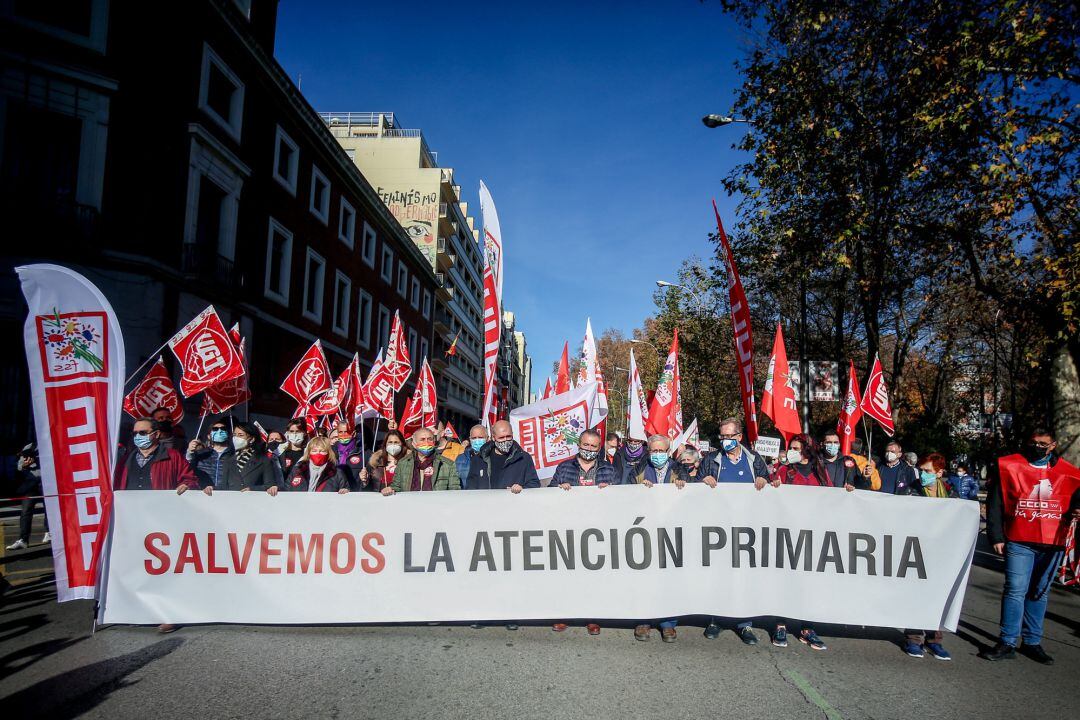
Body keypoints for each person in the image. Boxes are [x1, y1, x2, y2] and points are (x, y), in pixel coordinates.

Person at [981, 428, 1080, 665]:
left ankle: (1032, 641)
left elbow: (1075, 502)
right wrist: (996, 536)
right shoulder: (1008, 467)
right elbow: (995, 503)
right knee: (1015, 589)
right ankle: (1007, 641)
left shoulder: (1069, 473)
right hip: (1019, 540)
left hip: (1053, 542)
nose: (1037, 447)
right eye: (1033, 442)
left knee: (1039, 591)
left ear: (1053, 445)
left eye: (1042, 443)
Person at [113, 417, 197, 633]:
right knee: (136, 568)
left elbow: (190, 479)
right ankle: (139, 610)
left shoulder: (172, 456)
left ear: (156, 434)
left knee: (164, 569)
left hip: (162, 521)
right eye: (135, 433)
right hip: (133, 521)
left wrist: (185, 485)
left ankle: (168, 613)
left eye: (143, 432)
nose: (138, 437)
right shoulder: (127, 458)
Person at [697, 418, 776, 644]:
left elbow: (770, 485)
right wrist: (704, 479)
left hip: (747, 528)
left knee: (744, 576)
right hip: (718, 528)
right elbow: (696, 485)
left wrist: (765, 480)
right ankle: (716, 620)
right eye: (722, 437)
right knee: (718, 575)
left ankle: (745, 624)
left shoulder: (754, 459)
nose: (725, 441)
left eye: (729, 437)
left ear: (739, 437)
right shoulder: (712, 459)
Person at [550, 428, 618, 635]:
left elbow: (621, 499)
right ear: (579, 445)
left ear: (599, 448)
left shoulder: (608, 469)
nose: (589, 449)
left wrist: (610, 492)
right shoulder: (563, 467)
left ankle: (592, 617)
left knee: (594, 575)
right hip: (569, 528)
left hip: (596, 529)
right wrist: (558, 489)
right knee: (568, 573)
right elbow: (549, 495)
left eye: (593, 446)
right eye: (586, 445)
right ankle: (565, 615)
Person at [772, 434, 831, 650]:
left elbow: (831, 499)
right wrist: (774, 486)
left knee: (809, 583)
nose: (792, 451)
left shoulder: (820, 472)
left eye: (796, 448)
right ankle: (781, 625)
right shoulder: (784, 471)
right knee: (785, 581)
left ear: (807, 450)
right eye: (791, 447)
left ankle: (808, 628)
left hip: (813, 535)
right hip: (787, 535)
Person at [632, 434, 690, 643]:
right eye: (653, 451)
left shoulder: (680, 469)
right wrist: (638, 491)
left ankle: (668, 623)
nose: (657, 455)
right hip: (645, 530)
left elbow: (693, 497)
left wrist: (684, 487)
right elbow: (623, 494)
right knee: (645, 576)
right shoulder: (638, 469)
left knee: (669, 577)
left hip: (672, 530)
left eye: (661, 451)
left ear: (668, 452)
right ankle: (644, 620)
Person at [901, 452, 958, 659]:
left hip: (943, 552)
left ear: (939, 472)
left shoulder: (951, 492)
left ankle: (935, 639)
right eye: (922, 471)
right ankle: (913, 638)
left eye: (928, 471)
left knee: (939, 595)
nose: (923, 474)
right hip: (918, 549)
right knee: (917, 594)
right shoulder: (912, 490)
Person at [466, 420, 540, 493]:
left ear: (512, 435)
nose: (505, 440)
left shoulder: (524, 458)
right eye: (501, 438)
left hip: (513, 502)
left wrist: (522, 488)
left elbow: (534, 484)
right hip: (486, 503)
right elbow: (470, 487)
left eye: (508, 436)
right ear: (493, 437)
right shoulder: (479, 459)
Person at [206, 421, 279, 494]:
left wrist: (252, 489)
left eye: (240, 435)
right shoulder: (229, 460)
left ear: (252, 439)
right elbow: (224, 486)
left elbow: (269, 485)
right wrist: (212, 488)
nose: (236, 438)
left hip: (253, 501)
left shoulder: (263, 460)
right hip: (232, 501)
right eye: (234, 435)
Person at [382, 427, 462, 494]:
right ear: (414, 444)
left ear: (434, 442)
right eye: (422, 439)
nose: (426, 442)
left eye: (429, 439)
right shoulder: (403, 463)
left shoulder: (447, 464)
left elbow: (454, 491)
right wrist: (390, 490)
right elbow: (396, 487)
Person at [6, 443, 49, 550]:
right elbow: (19, 466)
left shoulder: (50, 442)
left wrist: (39, 461)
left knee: (50, 509)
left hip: (47, 482)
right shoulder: (28, 447)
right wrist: (24, 465)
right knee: (26, 511)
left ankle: (50, 532)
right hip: (31, 484)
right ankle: (23, 540)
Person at [283, 436, 350, 493]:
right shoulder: (298, 470)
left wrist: (345, 491)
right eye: (314, 451)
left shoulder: (337, 473)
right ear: (309, 453)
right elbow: (286, 491)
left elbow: (345, 491)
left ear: (329, 453)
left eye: (322, 451)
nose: (318, 454)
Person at [185, 419, 233, 490]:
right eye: (215, 429)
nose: (219, 431)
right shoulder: (201, 453)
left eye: (223, 429)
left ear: (228, 434)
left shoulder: (234, 454)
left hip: (226, 494)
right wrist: (189, 451)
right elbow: (187, 467)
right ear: (209, 436)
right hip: (203, 493)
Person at [330, 420, 366, 490]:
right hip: (334, 494)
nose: (343, 434)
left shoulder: (364, 453)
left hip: (354, 495)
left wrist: (365, 481)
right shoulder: (330, 451)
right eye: (340, 432)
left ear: (354, 433)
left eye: (346, 431)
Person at [456, 424, 490, 490]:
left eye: (480, 438)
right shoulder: (461, 458)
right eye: (474, 438)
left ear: (487, 438)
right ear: (470, 439)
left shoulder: (492, 457)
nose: (477, 440)